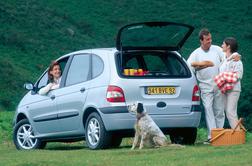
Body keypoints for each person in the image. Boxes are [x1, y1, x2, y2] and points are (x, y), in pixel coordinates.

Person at [187, 28, 226, 143]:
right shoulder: (195, 53)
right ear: (201, 40)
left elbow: (226, 59)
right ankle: (212, 136)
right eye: (207, 39)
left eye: (210, 39)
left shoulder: (217, 49)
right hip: (205, 86)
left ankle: (221, 133)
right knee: (208, 109)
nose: (210, 41)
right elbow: (190, 67)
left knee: (219, 110)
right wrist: (202, 66)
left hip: (219, 83)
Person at [218, 37, 243, 129]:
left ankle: (237, 134)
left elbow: (239, 75)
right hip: (225, 89)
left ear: (228, 46)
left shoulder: (236, 60)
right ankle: (238, 133)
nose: (222, 46)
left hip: (234, 89)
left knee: (230, 112)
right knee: (229, 112)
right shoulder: (225, 59)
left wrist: (224, 77)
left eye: (223, 44)